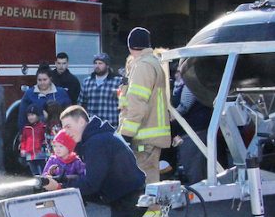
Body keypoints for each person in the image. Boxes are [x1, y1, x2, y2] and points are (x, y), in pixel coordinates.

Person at [43, 105, 195, 217]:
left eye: (68, 126)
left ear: (81, 121)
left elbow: (91, 184)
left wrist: (59, 187)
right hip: (135, 194)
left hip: (126, 201)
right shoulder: (99, 135)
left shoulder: (96, 143)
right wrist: (63, 179)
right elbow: (93, 177)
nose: (65, 132)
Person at [118, 27, 171, 184]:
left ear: (130, 46)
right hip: (151, 134)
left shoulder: (142, 66)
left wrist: (126, 134)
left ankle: (149, 208)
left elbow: (137, 104)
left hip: (143, 135)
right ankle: (154, 209)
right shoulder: (153, 63)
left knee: (143, 178)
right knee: (151, 175)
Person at [171, 68, 213, 185]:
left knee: (193, 165)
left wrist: (170, 116)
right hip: (191, 130)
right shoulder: (181, 85)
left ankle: (198, 193)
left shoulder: (190, 85)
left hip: (194, 130)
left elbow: (184, 106)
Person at [78, 52, 123, 128]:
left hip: (111, 126)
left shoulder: (117, 81)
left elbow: (123, 104)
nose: (97, 66)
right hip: (92, 126)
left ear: (107, 65)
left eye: (100, 63)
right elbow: (81, 104)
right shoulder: (87, 82)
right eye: (95, 63)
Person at [19, 105, 47, 176]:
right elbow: (23, 140)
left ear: (38, 116)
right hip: (30, 154)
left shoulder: (43, 127)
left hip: (41, 154)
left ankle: (45, 183)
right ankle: (38, 183)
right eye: (28, 115)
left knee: (43, 170)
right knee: (34, 171)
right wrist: (23, 149)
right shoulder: (26, 128)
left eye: (32, 115)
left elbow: (45, 138)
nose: (30, 117)